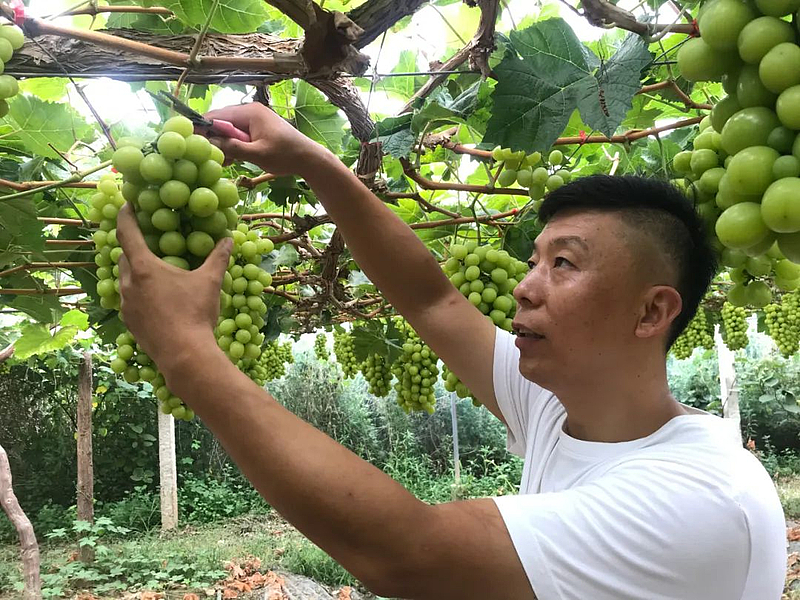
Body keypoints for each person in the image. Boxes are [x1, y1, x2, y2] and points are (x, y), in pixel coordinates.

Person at [115, 102, 788, 600]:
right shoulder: (561, 406)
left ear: (652, 311)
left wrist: (187, 351)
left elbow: (407, 553)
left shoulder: (701, 501)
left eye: (563, 264)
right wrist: (312, 159)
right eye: (534, 260)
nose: (524, 286)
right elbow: (432, 298)